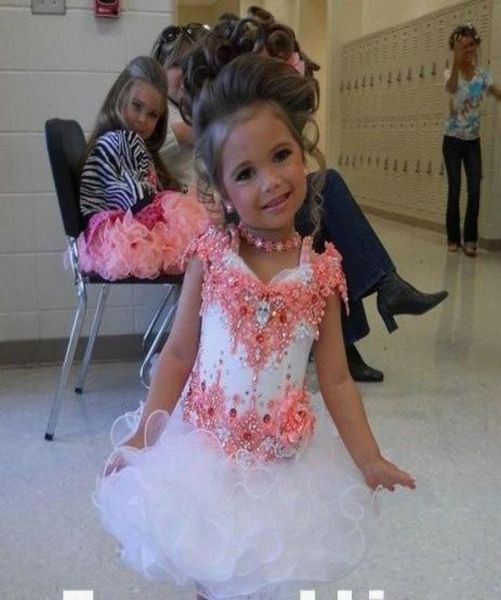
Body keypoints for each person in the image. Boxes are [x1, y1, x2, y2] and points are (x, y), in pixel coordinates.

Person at [95, 54, 415, 600]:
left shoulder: (323, 271)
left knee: (265, 576)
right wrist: (144, 435)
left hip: (283, 469)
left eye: (281, 156)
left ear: (304, 152)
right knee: (207, 566)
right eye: (245, 173)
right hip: (208, 456)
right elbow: (177, 355)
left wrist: (367, 456)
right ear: (220, 188)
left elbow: (335, 380)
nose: (270, 182)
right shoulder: (211, 258)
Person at [177, 14, 448, 382]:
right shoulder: (214, 115)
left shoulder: (266, 112)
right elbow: (178, 355)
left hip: (253, 207)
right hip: (223, 216)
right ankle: (379, 294)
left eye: (282, 155)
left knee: (321, 224)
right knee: (323, 207)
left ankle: (348, 336)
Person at [78, 56, 208, 280]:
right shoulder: (118, 142)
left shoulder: (129, 142)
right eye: (136, 106)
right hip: (118, 233)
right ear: (119, 98)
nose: (141, 120)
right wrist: (166, 211)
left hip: (124, 227)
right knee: (204, 245)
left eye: (152, 115)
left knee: (201, 234)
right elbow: (133, 197)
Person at [443, 23, 501, 257]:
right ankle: (452, 238)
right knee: (455, 189)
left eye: (470, 46)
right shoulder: (450, 72)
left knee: (475, 188)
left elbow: (497, 93)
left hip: (472, 141)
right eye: (463, 46)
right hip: (452, 141)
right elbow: (452, 87)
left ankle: (471, 240)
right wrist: (456, 60)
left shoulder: (484, 76)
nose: (468, 50)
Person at [151, 23, 210, 187]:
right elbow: (135, 152)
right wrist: (175, 134)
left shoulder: (207, 107)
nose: (186, 72)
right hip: (181, 206)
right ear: (160, 69)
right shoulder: (155, 110)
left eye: (194, 63)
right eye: (176, 65)